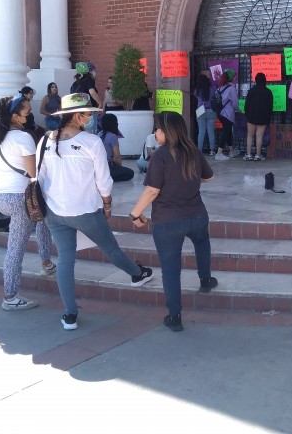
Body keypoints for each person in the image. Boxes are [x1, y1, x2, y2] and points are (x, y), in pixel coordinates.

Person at [37, 93, 153, 330]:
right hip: (85, 211)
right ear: (78, 116)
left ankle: (69, 314)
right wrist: (108, 205)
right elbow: (104, 181)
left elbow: (41, 177)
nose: (91, 118)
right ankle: (136, 274)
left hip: (55, 212)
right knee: (110, 247)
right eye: (88, 114)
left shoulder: (46, 140)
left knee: (65, 261)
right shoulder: (91, 143)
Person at [128, 111, 217, 333]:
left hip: (168, 222)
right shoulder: (193, 151)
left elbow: (151, 190)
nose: (155, 132)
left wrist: (135, 213)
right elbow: (208, 177)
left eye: (158, 128)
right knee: (202, 243)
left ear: (168, 132)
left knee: (170, 270)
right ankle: (205, 279)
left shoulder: (160, 156)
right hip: (197, 215)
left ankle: (175, 316)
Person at [0, 93, 56, 311]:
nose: (30, 114)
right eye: (27, 111)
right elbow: (33, 172)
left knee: (41, 217)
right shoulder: (23, 138)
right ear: (15, 116)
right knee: (15, 248)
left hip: (1, 196)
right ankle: (10, 296)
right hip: (20, 197)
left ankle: (46, 263)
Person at [243, 72, 273, 161]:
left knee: (250, 135)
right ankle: (258, 155)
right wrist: (268, 117)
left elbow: (246, 105)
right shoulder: (268, 92)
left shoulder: (251, 91)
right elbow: (270, 106)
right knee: (259, 136)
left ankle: (248, 154)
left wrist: (247, 115)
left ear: (255, 80)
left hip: (251, 116)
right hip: (263, 117)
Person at [98, 113, 135, 181]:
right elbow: (117, 156)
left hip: (99, 166)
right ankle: (109, 178)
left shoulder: (99, 134)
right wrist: (120, 167)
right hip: (108, 166)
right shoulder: (113, 136)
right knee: (130, 173)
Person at [214, 69, 240, 160]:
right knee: (226, 131)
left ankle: (231, 151)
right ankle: (219, 153)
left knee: (228, 131)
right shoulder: (232, 89)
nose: (236, 78)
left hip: (220, 113)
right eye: (235, 76)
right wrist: (238, 109)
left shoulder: (220, 87)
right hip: (228, 114)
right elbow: (235, 103)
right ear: (232, 78)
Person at [70, 62, 102, 131]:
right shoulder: (89, 80)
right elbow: (92, 92)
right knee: (90, 133)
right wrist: (100, 103)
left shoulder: (74, 84)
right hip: (89, 111)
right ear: (89, 71)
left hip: (77, 113)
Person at [194, 72, 217, 156]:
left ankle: (199, 150)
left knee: (201, 131)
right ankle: (212, 150)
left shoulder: (197, 90)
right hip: (211, 111)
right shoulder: (213, 88)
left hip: (200, 111)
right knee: (211, 132)